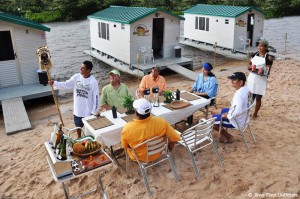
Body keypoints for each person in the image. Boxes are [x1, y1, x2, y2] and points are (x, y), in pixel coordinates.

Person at [49, 60, 99, 138]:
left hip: (88, 112)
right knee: (78, 127)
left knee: (88, 132)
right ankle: (79, 138)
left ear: (88, 70)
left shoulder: (93, 82)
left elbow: (96, 98)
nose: (80, 69)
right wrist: (54, 83)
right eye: (81, 67)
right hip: (78, 110)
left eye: (83, 68)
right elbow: (67, 84)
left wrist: (94, 112)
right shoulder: (76, 77)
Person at [209, 72, 249, 143]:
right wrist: (228, 113)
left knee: (209, 119)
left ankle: (228, 136)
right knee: (214, 111)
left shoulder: (239, 95)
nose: (231, 81)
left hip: (237, 121)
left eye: (234, 80)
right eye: (231, 79)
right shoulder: (246, 89)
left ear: (240, 82)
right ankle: (222, 134)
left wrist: (227, 115)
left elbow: (237, 111)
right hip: (243, 116)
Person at [247, 39, 273, 118]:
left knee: (258, 98)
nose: (260, 47)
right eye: (259, 46)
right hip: (252, 78)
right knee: (250, 97)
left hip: (261, 80)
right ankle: (248, 111)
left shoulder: (268, 58)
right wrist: (251, 68)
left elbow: (268, 70)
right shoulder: (254, 55)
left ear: (265, 47)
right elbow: (248, 64)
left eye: (262, 46)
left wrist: (262, 72)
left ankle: (255, 113)